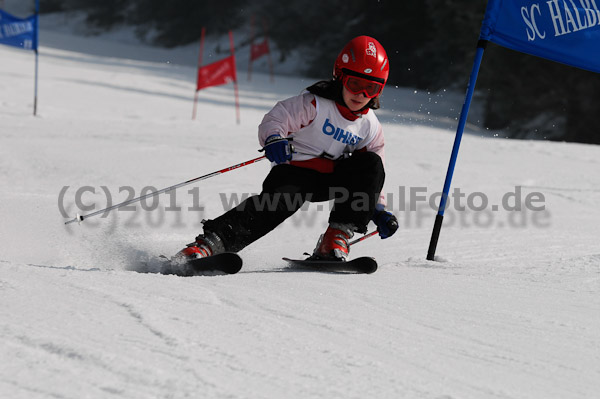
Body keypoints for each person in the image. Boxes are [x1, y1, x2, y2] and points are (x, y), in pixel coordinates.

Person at [176, 35, 398, 263]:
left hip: (333, 179)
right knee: (273, 207)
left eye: (371, 88)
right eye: (355, 84)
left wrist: (377, 209)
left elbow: (372, 175)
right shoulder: (315, 104)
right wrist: (274, 138)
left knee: (371, 162)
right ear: (339, 77)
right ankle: (210, 245)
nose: (362, 95)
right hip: (295, 174)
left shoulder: (370, 126)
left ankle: (334, 240)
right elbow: (277, 118)